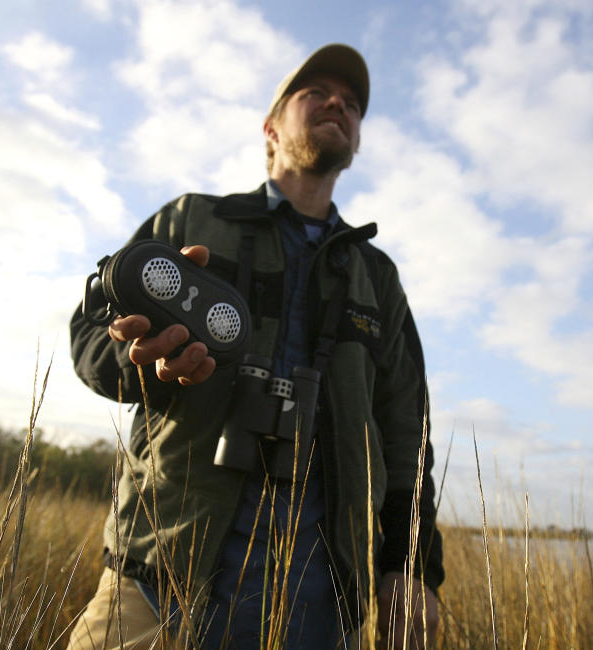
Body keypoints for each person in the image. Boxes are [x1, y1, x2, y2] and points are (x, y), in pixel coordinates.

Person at [68, 44, 444, 650]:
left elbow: (409, 431)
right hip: (161, 578)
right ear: (271, 130)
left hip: (321, 603)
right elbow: (88, 333)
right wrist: (148, 363)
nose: (337, 105)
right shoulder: (192, 220)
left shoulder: (376, 276)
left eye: (351, 104)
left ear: (358, 141)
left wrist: (411, 565)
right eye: (315, 93)